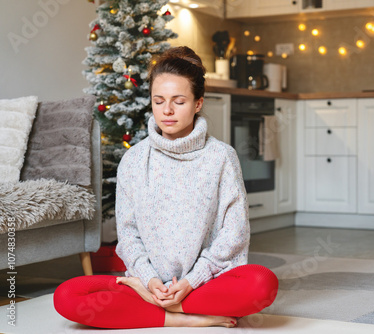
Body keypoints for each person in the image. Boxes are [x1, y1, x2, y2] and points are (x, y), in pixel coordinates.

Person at [53, 46, 279, 329]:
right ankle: (179, 317)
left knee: (262, 284)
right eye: (158, 101)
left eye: (178, 101)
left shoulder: (221, 157)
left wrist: (190, 282)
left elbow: (234, 233)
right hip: (147, 286)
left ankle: (163, 310)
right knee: (67, 295)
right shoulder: (134, 160)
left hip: (203, 283)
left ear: (198, 103)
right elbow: (128, 234)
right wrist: (148, 280)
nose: (167, 111)